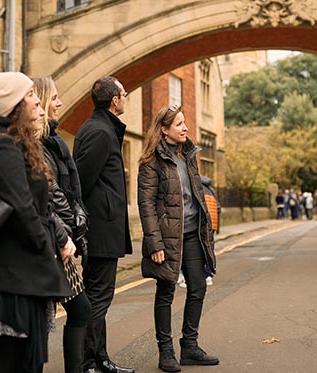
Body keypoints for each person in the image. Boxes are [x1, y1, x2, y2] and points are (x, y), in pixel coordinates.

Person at [0, 71, 73, 372]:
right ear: (13, 105)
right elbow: (22, 208)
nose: (39, 104)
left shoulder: (16, 143)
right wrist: (45, 246)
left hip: (21, 276)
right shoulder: (1, 145)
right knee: (15, 364)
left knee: (26, 363)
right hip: (8, 280)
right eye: (31, 99)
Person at [137, 105, 219, 373]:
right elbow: (146, 204)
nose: (185, 128)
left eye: (185, 123)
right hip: (168, 236)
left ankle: (190, 347)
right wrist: (155, 243)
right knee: (166, 292)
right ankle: (166, 351)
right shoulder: (151, 161)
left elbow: (195, 193)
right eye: (179, 124)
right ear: (164, 129)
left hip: (194, 233)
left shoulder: (188, 155)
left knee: (198, 287)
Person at [73, 76, 134, 373]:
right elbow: (81, 182)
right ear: (114, 101)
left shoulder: (102, 128)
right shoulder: (99, 132)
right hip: (100, 228)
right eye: (123, 93)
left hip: (104, 224)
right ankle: (89, 363)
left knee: (101, 296)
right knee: (98, 296)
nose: (126, 97)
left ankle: (101, 359)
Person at [34, 76, 92, 373]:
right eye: (53, 98)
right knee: (42, 322)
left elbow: (67, 190)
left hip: (60, 236)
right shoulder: (37, 145)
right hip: (51, 239)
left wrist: (76, 215)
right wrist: (68, 226)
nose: (58, 103)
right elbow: (49, 193)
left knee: (75, 311)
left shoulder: (54, 143)